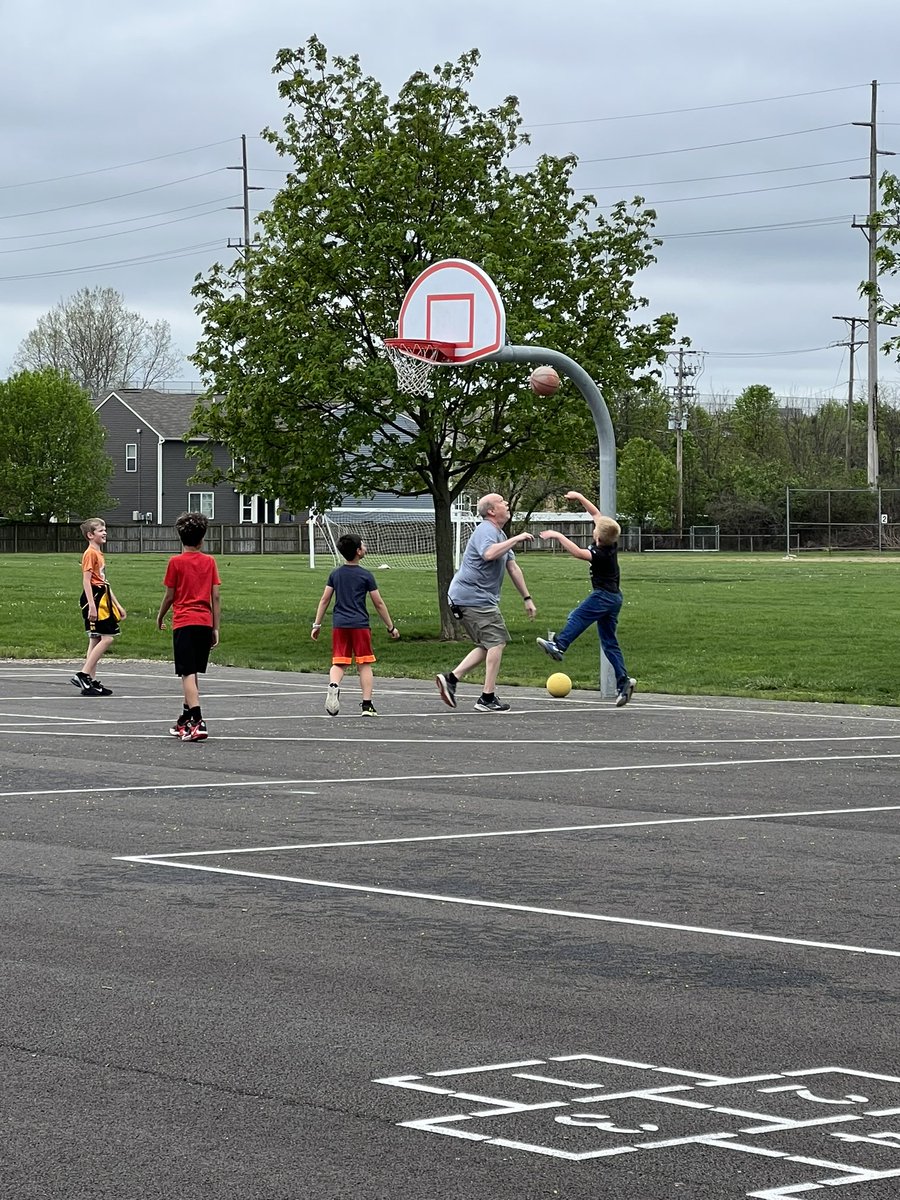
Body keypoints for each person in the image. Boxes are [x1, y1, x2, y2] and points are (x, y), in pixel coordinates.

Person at [435, 493, 536, 713]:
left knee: (487, 644)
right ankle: (487, 698)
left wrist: (527, 598)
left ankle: (451, 678)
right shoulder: (486, 531)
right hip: (472, 597)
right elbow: (489, 554)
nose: (507, 504)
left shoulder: (498, 533)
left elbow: (512, 567)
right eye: (502, 502)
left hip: (472, 598)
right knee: (497, 642)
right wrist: (516, 539)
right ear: (491, 510)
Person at [535, 490, 636, 707]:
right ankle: (624, 682)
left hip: (604, 596)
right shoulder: (609, 541)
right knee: (609, 643)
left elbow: (579, 554)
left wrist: (558, 535)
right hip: (614, 598)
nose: (593, 527)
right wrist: (579, 498)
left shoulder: (600, 553)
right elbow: (596, 513)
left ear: (597, 537)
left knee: (577, 615)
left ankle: (559, 646)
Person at [311, 533, 399, 716]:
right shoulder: (366, 576)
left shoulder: (335, 574)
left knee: (339, 662)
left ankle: (333, 686)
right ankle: (367, 705)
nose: (365, 547)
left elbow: (324, 599)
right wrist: (391, 626)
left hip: (340, 625)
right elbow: (379, 603)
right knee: (364, 664)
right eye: (363, 545)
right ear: (358, 551)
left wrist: (317, 625)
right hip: (360, 625)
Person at [156, 511, 221, 741]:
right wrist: (215, 627)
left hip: (184, 622)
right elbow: (216, 597)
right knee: (193, 673)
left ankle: (197, 719)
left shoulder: (175, 562)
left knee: (186, 672)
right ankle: (185, 717)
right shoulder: (210, 562)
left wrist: (161, 615)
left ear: (180, 537)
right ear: (202, 539)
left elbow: (169, 595)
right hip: (204, 622)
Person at [71, 518, 126, 697]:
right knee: (107, 638)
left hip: (102, 595)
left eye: (105, 530)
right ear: (90, 535)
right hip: (94, 598)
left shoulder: (99, 553)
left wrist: (117, 605)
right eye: (100, 530)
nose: (104, 533)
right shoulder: (90, 554)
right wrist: (92, 607)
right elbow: (87, 581)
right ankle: (83, 674)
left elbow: (104, 582)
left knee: (95, 639)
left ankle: (90, 682)